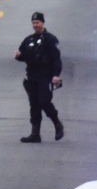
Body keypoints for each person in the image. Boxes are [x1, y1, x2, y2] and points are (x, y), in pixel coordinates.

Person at [14, 12, 63, 143]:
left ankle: (57, 124)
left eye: (38, 23)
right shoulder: (28, 40)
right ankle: (35, 134)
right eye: (34, 23)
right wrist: (19, 56)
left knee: (44, 102)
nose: (36, 25)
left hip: (45, 76)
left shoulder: (50, 39)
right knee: (34, 104)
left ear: (43, 23)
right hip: (32, 76)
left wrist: (56, 75)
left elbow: (56, 59)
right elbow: (23, 55)